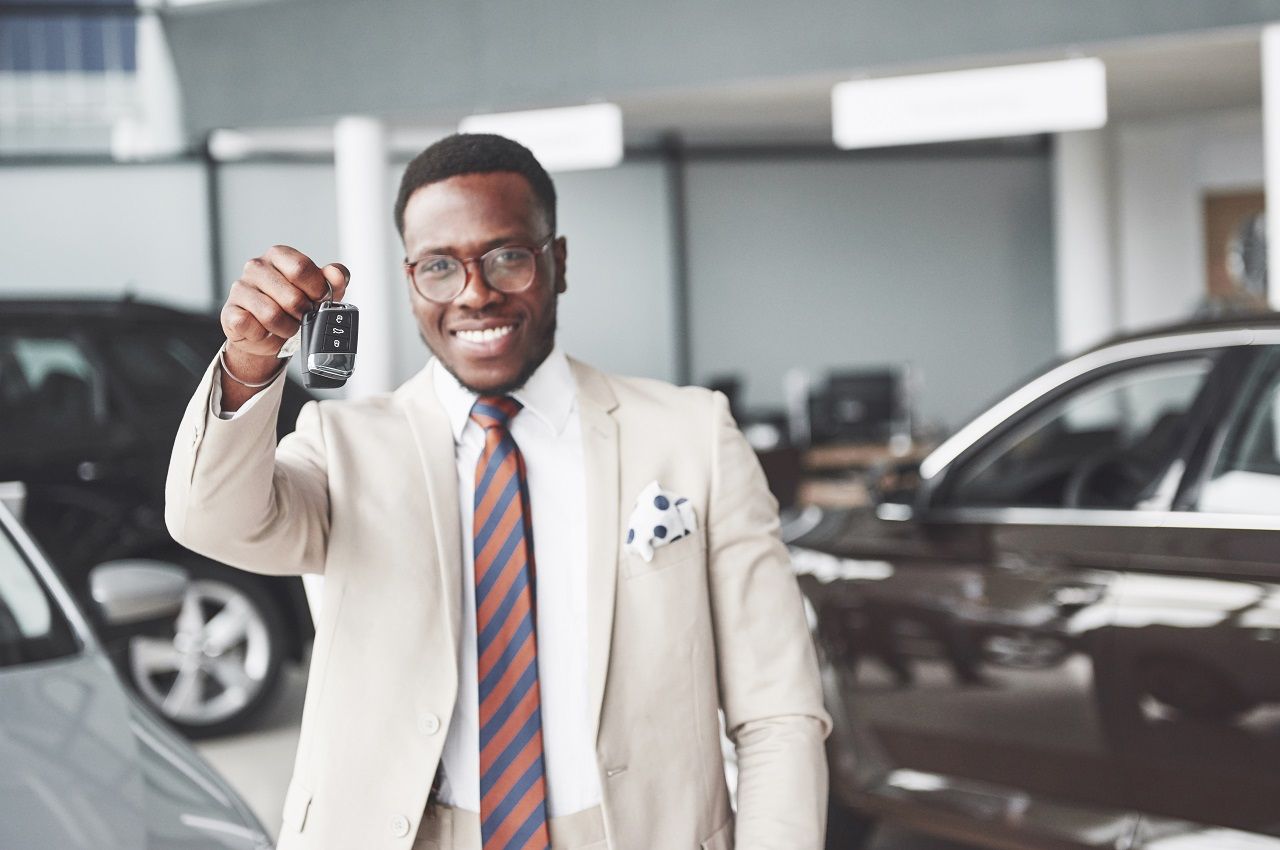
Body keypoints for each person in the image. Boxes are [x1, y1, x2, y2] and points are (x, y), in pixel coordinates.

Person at [165, 133, 830, 850]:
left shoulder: (692, 434)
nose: (476, 293)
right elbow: (212, 521)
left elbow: (777, 712)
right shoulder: (343, 445)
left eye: (508, 256)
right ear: (411, 277)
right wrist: (248, 365)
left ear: (558, 262)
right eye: (440, 267)